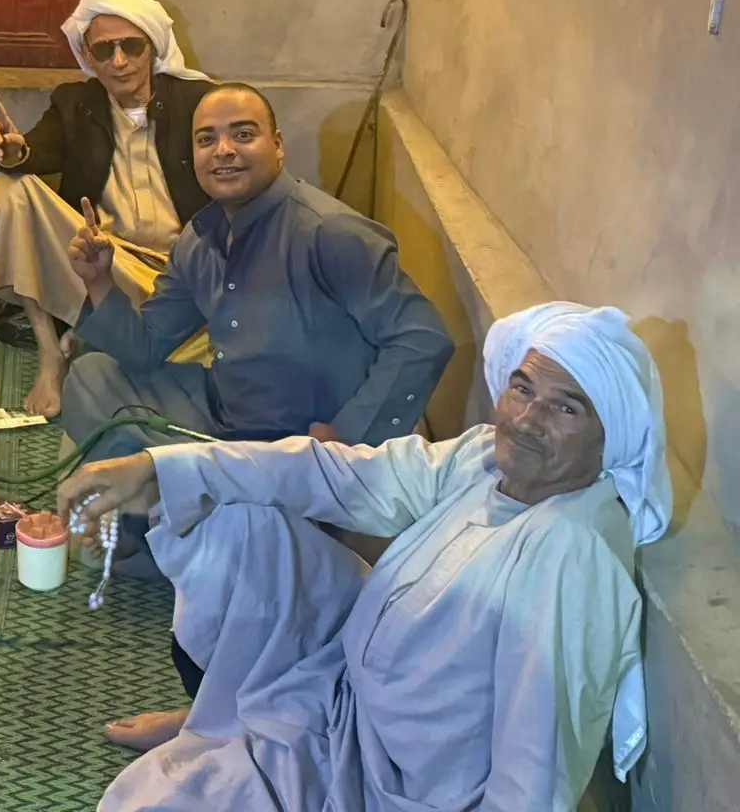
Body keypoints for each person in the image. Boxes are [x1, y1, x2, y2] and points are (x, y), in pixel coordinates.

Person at [60, 301, 671, 812]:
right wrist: (157, 471)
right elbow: (340, 476)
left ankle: (235, 722)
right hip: (337, 691)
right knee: (236, 517)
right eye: (523, 388)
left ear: (609, 437)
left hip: (384, 781)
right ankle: (222, 710)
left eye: (566, 407)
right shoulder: (484, 458)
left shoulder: (572, 551)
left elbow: (535, 770)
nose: (528, 420)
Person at [62, 82, 453, 460]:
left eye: (243, 135)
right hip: (225, 413)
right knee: (93, 377)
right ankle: (196, 477)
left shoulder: (330, 233)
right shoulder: (198, 241)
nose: (223, 150)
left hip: (302, 438)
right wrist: (99, 279)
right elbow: (145, 348)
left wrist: (347, 435)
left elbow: (421, 338)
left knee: (131, 457)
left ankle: (188, 479)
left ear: (278, 145)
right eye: (206, 139)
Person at [0, 0, 215, 418]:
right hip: (102, 263)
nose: (119, 61)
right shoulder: (76, 103)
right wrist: (12, 151)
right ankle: (50, 351)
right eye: (105, 50)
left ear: (152, 47)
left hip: (180, 274)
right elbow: (35, 149)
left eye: (131, 46)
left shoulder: (198, 103)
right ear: (88, 57)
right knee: (9, 189)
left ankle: (94, 335)